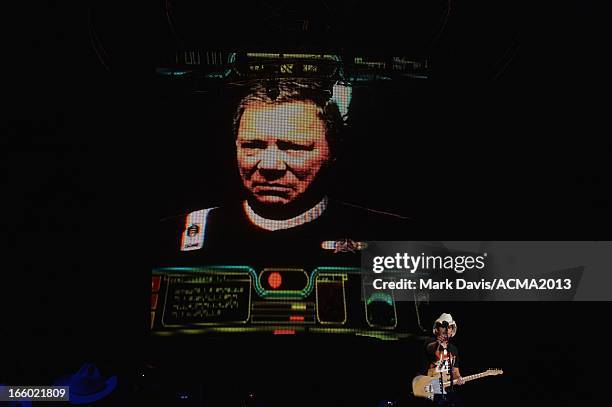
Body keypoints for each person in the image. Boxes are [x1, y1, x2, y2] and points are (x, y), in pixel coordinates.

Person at [156, 79, 421, 267]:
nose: (270, 165)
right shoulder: (176, 235)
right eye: (253, 146)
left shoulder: (393, 239)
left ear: (333, 151)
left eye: (293, 147)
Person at [424, 313, 464, 406]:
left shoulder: (453, 349)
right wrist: (438, 343)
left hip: (448, 390)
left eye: (449, 327)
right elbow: (431, 348)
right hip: (431, 389)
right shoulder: (429, 342)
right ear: (437, 329)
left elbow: (455, 371)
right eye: (443, 326)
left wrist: (458, 378)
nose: (446, 329)